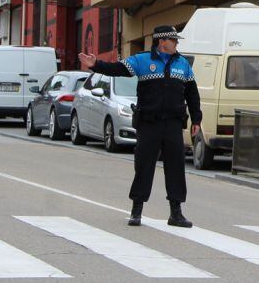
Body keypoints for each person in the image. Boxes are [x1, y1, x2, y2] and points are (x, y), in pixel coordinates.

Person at [80, 25, 201, 228]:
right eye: (174, 40)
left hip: (173, 123)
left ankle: (176, 213)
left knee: (176, 167)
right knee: (144, 166)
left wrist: (196, 119)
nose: (177, 43)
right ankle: (136, 211)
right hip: (149, 123)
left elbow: (192, 94)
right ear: (162, 42)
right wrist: (96, 65)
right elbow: (117, 69)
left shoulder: (183, 64)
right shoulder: (142, 60)